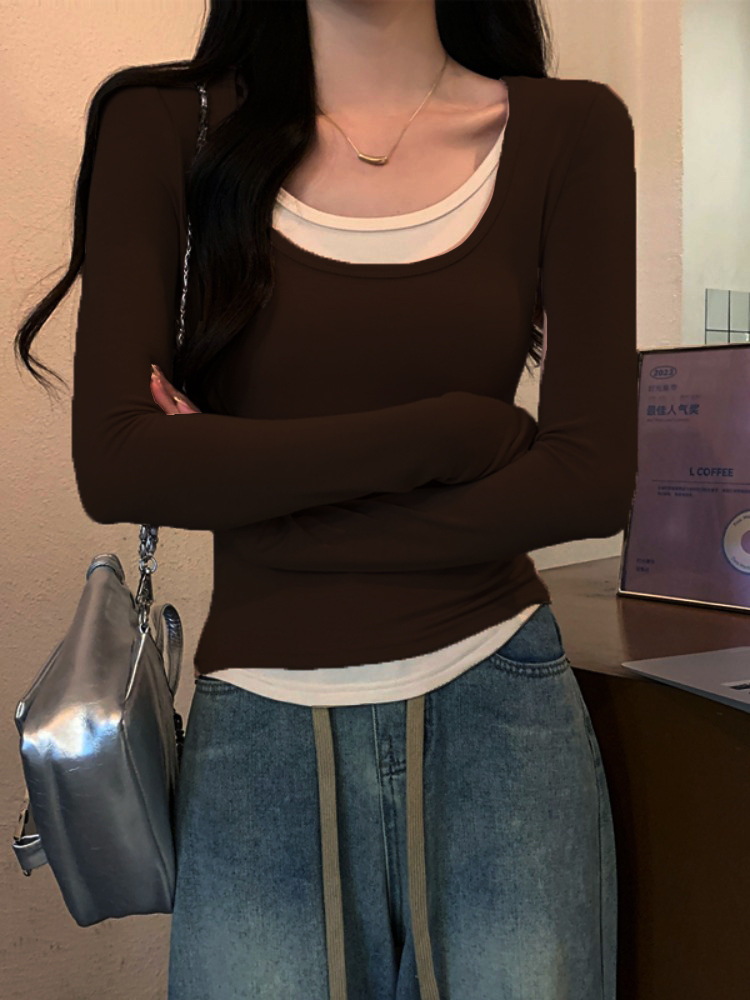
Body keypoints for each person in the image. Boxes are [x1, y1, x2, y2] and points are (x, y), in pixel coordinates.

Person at [14, 1, 636, 997]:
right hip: (260, 747)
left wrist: (255, 498)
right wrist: (454, 435)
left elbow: (591, 482)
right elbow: (122, 464)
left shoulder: (571, 129)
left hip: (504, 724)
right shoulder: (167, 127)